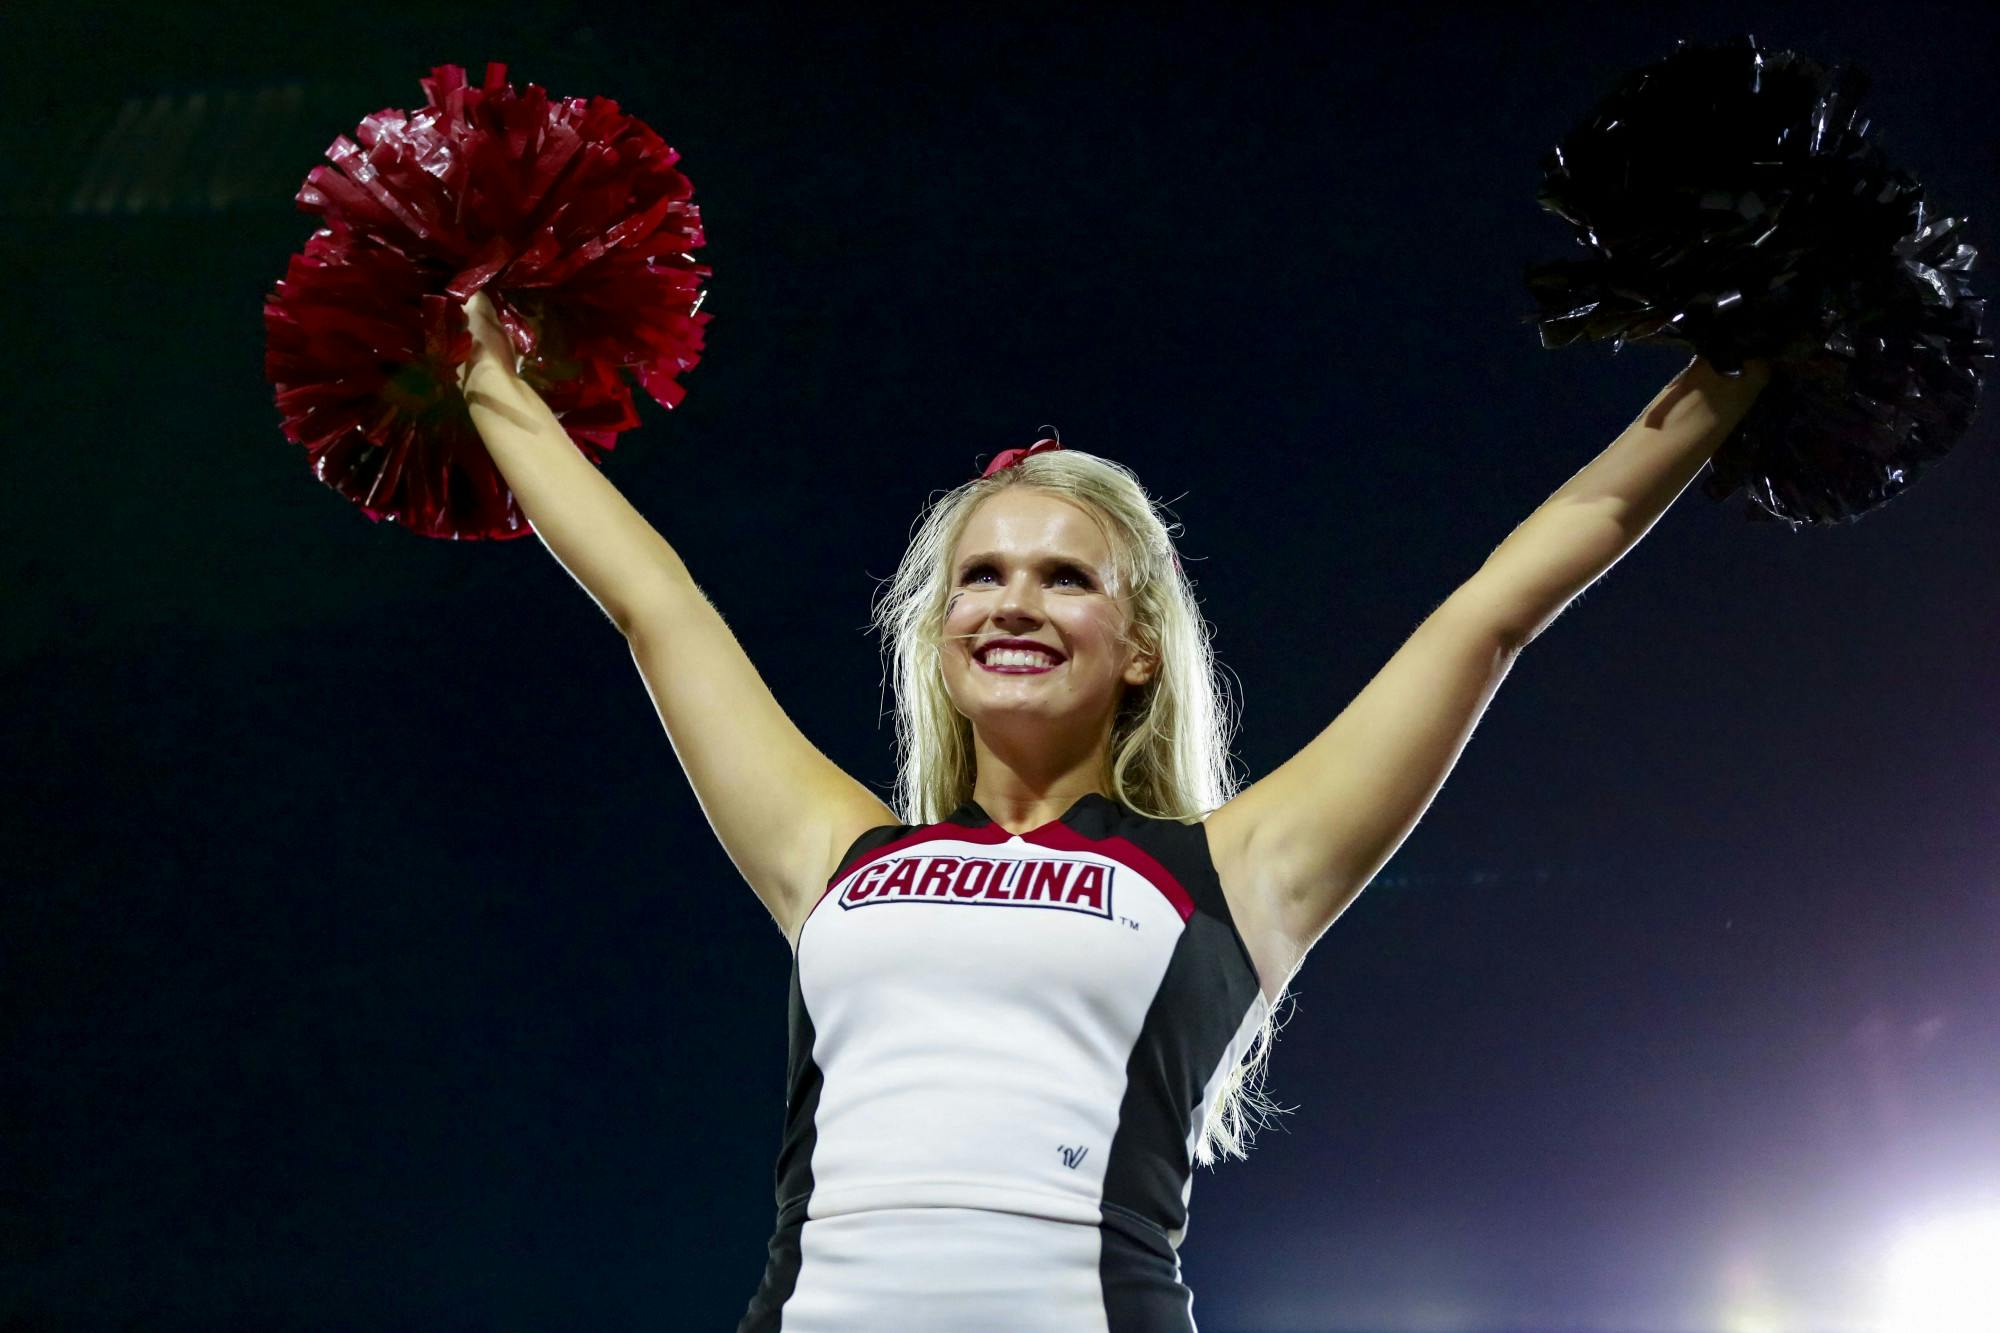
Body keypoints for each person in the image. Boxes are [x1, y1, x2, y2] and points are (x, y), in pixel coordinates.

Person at [457, 290, 1771, 1329]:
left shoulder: (1240, 867)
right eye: (981, 575)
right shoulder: (834, 849)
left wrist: (1739, 369)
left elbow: (1494, 610)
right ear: (940, 631)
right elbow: (654, 602)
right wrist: (471, 368)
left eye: (1063, 577)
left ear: (1140, 643)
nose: (1013, 602)